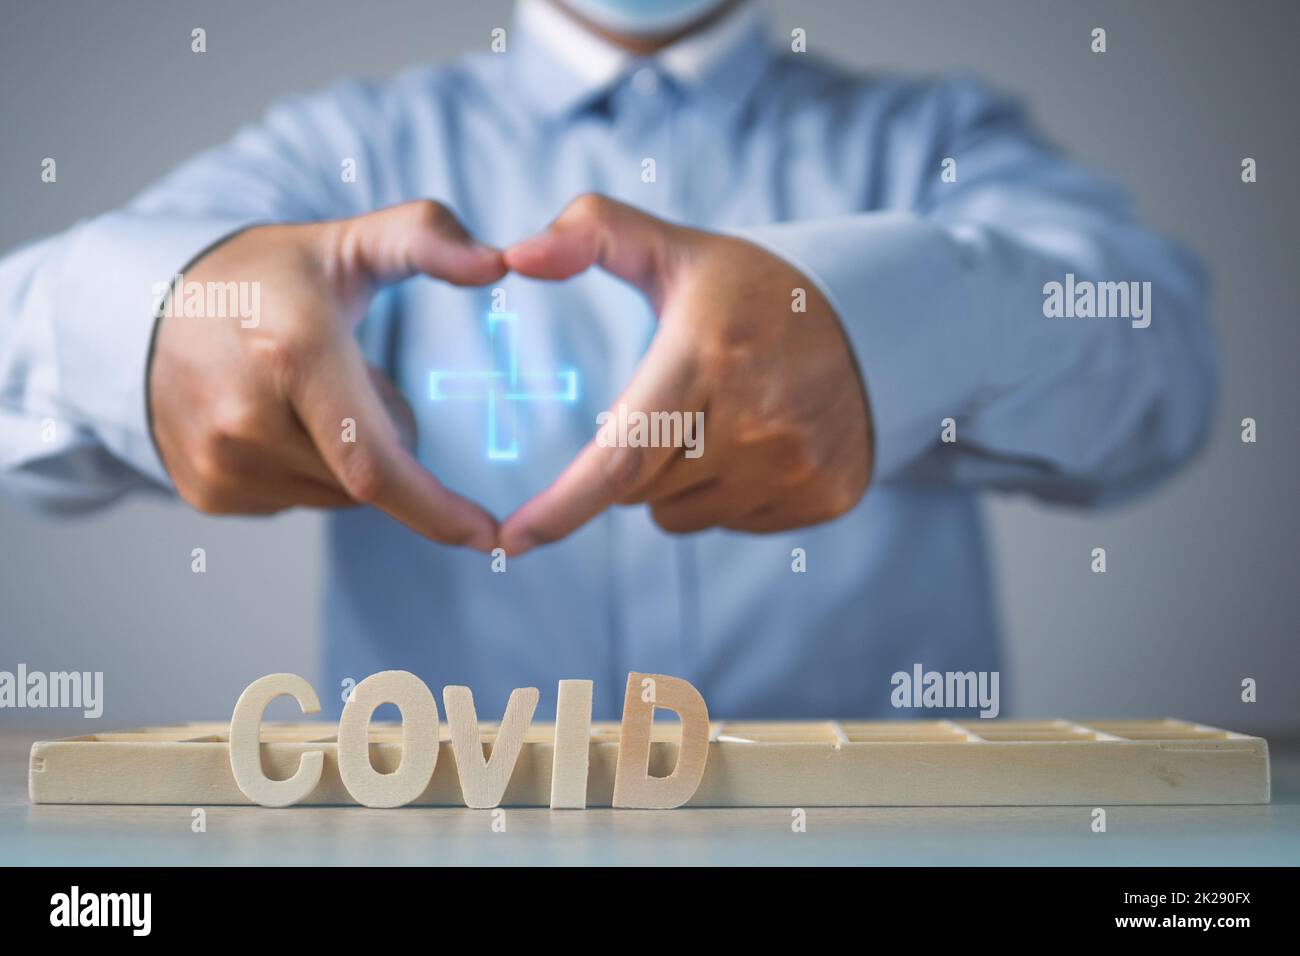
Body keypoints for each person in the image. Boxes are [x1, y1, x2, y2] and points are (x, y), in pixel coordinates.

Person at [0, 0, 1216, 719]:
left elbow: (1164, 370)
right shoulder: (343, 150)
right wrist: (162, 322)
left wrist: (905, 320)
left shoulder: (939, 141)